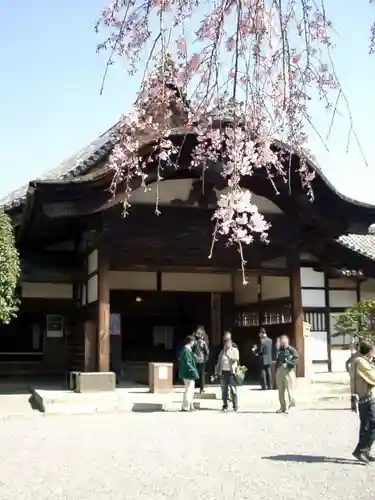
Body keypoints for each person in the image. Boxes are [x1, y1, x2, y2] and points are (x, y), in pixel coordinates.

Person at [350, 340, 375, 463]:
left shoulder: (358, 360)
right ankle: (360, 450)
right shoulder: (362, 362)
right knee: (373, 424)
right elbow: (373, 378)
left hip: (362, 397)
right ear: (369, 351)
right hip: (367, 397)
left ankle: (365, 452)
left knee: (366, 426)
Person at [215, 335, 240, 411]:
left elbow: (237, 359)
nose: (227, 344)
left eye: (228, 342)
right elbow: (219, 362)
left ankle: (235, 405)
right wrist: (216, 371)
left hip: (231, 373)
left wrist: (230, 357)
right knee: (224, 390)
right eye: (226, 343)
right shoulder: (222, 351)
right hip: (223, 372)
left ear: (231, 343)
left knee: (233, 390)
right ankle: (225, 405)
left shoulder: (234, 350)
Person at [275, 335, 298, 414]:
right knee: (281, 390)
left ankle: (289, 406)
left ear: (286, 341)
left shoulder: (291, 350)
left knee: (289, 389)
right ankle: (282, 406)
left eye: (282, 341)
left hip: (288, 371)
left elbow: (296, 359)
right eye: (281, 342)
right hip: (280, 370)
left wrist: (289, 364)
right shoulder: (280, 350)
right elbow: (277, 360)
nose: (282, 343)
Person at [179, 335, 199, 412]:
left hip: (187, 372)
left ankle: (190, 406)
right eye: (193, 341)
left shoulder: (187, 350)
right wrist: (193, 371)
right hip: (188, 373)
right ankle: (186, 407)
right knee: (189, 390)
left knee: (190, 390)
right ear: (190, 342)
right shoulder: (186, 351)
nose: (194, 343)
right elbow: (188, 363)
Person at [193, 326, 210, 393]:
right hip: (202, 360)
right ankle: (201, 389)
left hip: (195, 360)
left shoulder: (194, 342)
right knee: (202, 374)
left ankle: (193, 386)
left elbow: (192, 351)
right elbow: (207, 351)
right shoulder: (203, 343)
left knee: (195, 373)